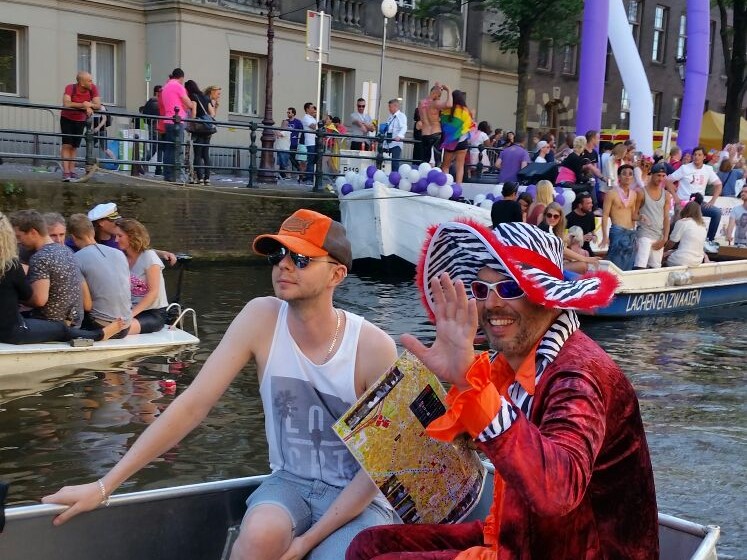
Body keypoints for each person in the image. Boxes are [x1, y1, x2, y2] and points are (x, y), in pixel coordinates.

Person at [42, 209, 398, 560]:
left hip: (359, 498)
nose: (284, 265)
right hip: (291, 482)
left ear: (336, 274)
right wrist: (105, 486)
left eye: (302, 258)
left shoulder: (373, 347)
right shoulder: (261, 317)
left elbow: (378, 470)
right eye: (278, 254)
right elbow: (193, 404)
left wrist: (307, 543)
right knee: (259, 535)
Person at [346, 219, 658, 560]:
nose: (492, 304)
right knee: (369, 545)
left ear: (548, 299)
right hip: (520, 532)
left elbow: (556, 492)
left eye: (510, 289)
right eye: (481, 290)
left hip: (574, 550)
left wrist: (469, 383)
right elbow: (482, 444)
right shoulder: (514, 362)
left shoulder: (577, 376)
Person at [8, 210, 123, 343]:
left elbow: (39, 300)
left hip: (50, 323)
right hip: (75, 322)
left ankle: (98, 335)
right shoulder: (68, 251)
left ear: (33, 232)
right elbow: (87, 304)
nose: (18, 241)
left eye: (19, 236)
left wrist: (16, 296)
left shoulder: (40, 257)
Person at [68, 214, 132, 337]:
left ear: (73, 237)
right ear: (92, 232)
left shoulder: (75, 259)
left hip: (101, 326)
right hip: (125, 325)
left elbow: (87, 305)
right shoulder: (119, 254)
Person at [114, 218, 169, 335]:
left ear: (132, 236)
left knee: (119, 329)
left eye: (120, 236)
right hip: (129, 309)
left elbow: (153, 293)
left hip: (153, 313)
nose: (116, 240)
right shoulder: (121, 257)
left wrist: (130, 316)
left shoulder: (149, 257)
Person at [666, 146, 723, 254]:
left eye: (699, 155)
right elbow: (668, 180)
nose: (696, 157)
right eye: (695, 154)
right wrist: (675, 197)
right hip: (684, 203)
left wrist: (712, 201)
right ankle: (668, 244)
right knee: (677, 224)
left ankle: (709, 241)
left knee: (717, 212)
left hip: (698, 204)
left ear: (704, 157)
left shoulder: (708, 169)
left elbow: (719, 185)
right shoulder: (685, 168)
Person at [60, 71, 101, 181]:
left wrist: (90, 105)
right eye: (89, 80)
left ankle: (72, 171)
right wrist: (83, 105)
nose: (92, 82)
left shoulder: (93, 88)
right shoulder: (70, 88)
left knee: (74, 146)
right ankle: (66, 172)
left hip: (80, 119)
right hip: (67, 118)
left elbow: (98, 105)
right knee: (66, 145)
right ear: (82, 83)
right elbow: (66, 103)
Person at [159, 68, 195, 182]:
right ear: (181, 78)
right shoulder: (179, 86)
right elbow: (188, 103)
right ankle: (176, 175)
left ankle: (167, 175)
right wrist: (193, 104)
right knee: (177, 148)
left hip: (167, 120)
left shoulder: (165, 88)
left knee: (168, 149)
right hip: (178, 121)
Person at [600, 164, 640, 271]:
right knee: (615, 263)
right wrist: (605, 236)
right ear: (619, 177)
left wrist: (641, 218)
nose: (627, 176)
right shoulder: (611, 193)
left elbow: (633, 216)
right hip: (618, 230)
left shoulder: (634, 194)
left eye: (630, 174)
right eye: (624, 174)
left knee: (629, 264)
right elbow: (604, 215)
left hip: (630, 232)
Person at [634, 162, 672, 269]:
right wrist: (640, 218)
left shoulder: (666, 194)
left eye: (663, 176)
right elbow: (634, 214)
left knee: (656, 268)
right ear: (652, 175)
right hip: (644, 233)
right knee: (640, 266)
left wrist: (665, 239)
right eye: (658, 175)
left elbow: (666, 218)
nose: (660, 179)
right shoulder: (641, 192)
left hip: (658, 235)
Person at [185, 79, 216, 185]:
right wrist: (206, 119)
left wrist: (192, 122)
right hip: (207, 129)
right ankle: (207, 178)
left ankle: (200, 178)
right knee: (206, 153)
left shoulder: (193, 97)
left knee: (198, 153)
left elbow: (193, 112)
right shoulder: (205, 97)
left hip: (198, 128)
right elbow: (212, 113)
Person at [438, 90, 472, 185]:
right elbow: (469, 125)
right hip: (462, 141)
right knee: (460, 167)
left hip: (450, 141)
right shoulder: (465, 111)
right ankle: (458, 188)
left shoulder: (446, 110)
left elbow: (443, 124)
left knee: (445, 166)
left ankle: (445, 185)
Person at [665, 202, 707, 266]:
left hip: (681, 260)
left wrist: (663, 251)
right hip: (697, 261)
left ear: (685, 210)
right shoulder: (703, 226)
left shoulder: (682, 222)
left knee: (661, 257)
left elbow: (671, 242)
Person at [419, 83, 449, 166]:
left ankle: (424, 176)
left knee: (425, 160)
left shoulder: (421, 103)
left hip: (425, 133)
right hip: (435, 132)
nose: (439, 98)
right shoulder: (436, 104)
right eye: (439, 95)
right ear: (435, 93)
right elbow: (449, 104)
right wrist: (448, 90)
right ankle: (436, 177)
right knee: (437, 160)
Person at [140, 85, 163, 175]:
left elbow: (144, 114)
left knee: (156, 147)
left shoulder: (149, 102)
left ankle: (157, 167)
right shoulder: (156, 103)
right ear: (157, 93)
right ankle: (144, 162)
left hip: (152, 126)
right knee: (157, 147)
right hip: (157, 126)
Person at [565, 191, 597, 256]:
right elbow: (565, 240)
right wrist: (580, 238)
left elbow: (593, 232)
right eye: (588, 203)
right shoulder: (569, 218)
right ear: (580, 205)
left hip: (586, 248)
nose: (591, 205)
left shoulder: (591, 216)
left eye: (591, 202)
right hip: (572, 250)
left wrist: (594, 237)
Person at [383, 99, 407, 172]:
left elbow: (404, 127)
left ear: (395, 106)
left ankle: (394, 178)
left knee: (394, 163)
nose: (389, 109)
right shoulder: (390, 117)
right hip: (388, 143)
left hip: (396, 143)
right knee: (386, 163)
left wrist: (399, 136)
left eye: (390, 107)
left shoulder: (401, 116)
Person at [301, 102, 319, 184]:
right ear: (307, 109)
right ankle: (309, 178)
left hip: (315, 141)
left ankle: (312, 177)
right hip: (310, 142)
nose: (313, 109)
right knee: (311, 160)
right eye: (312, 107)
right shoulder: (306, 118)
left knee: (315, 159)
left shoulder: (312, 118)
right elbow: (314, 127)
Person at [285, 107, 305, 177]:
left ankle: (299, 169)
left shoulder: (297, 122)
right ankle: (290, 173)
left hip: (294, 143)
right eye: (287, 112)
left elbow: (303, 131)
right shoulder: (286, 121)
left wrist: (299, 139)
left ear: (293, 114)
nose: (288, 114)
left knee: (292, 157)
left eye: (289, 112)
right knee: (287, 157)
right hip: (286, 142)